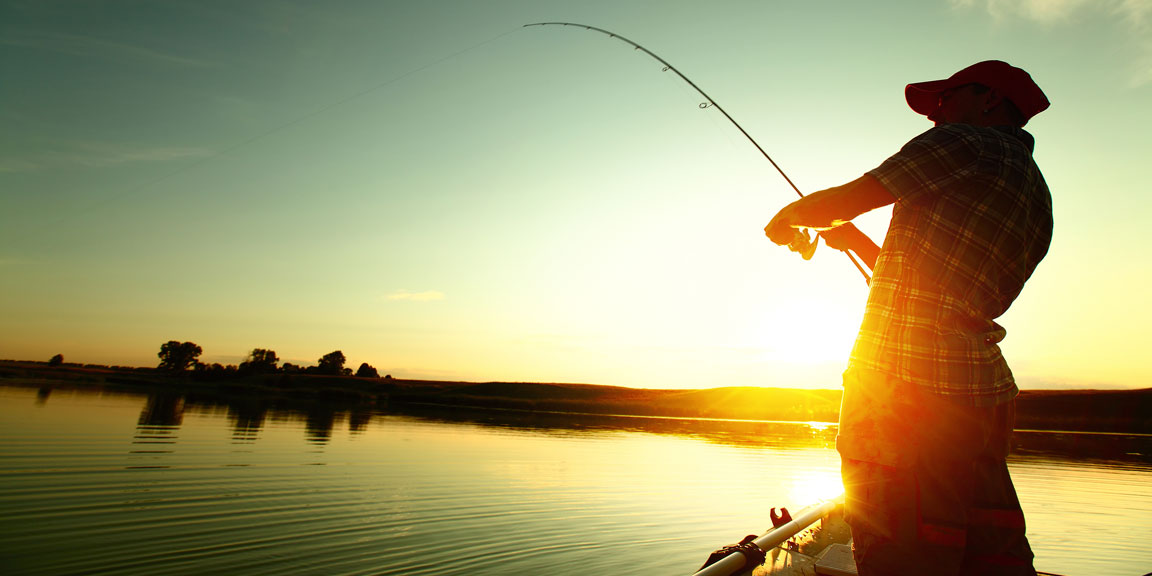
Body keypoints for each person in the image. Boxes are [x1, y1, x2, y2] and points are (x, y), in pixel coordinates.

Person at [764, 60, 1052, 576]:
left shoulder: (965, 142)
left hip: (904, 384)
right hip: (982, 393)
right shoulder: (1035, 189)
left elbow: (854, 196)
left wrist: (789, 216)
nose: (935, 114)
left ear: (988, 99)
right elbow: (939, 291)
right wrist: (853, 240)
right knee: (986, 541)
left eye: (946, 99)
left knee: (898, 541)